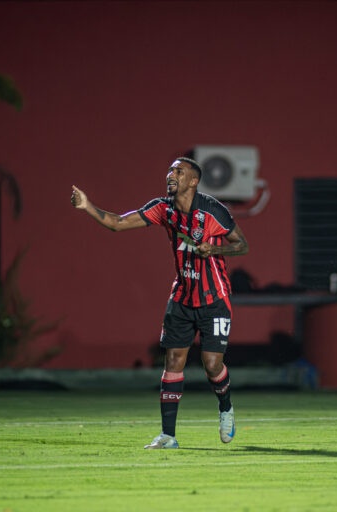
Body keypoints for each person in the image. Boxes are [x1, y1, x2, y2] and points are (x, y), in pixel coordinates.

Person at [71, 156, 249, 449]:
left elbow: (242, 245)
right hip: (181, 297)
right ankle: (168, 435)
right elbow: (118, 223)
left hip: (214, 298)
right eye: (170, 170)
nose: (171, 175)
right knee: (173, 360)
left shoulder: (213, 211)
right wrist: (87, 206)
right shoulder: (163, 209)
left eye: (179, 171)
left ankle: (225, 407)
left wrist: (216, 250)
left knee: (212, 364)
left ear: (194, 181)